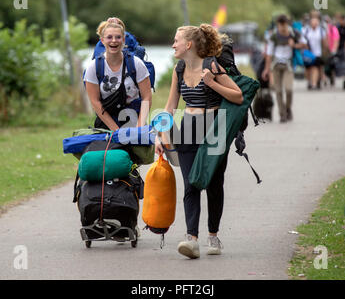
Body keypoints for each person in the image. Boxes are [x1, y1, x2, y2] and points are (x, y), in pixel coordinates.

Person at [155, 24, 243, 259]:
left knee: (214, 186)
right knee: (190, 184)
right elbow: (171, 105)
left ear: (189, 45)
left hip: (214, 127)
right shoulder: (179, 68)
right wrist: (160, 134)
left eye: (176, 40)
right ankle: (191, 239)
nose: (173, 44)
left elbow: (238, 95)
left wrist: (212, 82)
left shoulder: (212, 65)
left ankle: (213, 235)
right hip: (188, 129)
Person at [83, 17, 152, 131]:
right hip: (107, 122)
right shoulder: (93, 67)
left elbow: (147, 97)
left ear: (123, 39)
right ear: (102, 40)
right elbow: (95, 101)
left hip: (134, 119)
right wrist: (116, 131)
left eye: (118, 37)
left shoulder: (136, 63)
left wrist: (139, 128)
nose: (114, 40)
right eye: (109, 37)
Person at [262, 14, 307, 123]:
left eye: (284, 25)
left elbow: (305, 44)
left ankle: (288, 109)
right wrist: (266, 69)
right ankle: (282, 115)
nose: (282, 27)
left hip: (288, 66)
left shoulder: (294, 33)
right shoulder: (274, 36)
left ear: (287, 24)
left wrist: (294, 45)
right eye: (280, 25)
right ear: (277, 25)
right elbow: (269, 53)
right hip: (276, 65)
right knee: (278, 91)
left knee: (288, 89)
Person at [302, 14, 328, 90]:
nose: (314, 23)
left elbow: (324, 42)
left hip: (317, 53)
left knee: (315, 68)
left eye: (316, 21)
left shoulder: (321, 31)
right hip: (308, 53)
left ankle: (314, 83)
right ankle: (310, 81)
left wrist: (325, 51)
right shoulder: (305, 30)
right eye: (313, 21)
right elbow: (302, 41)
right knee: (308, 69)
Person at [323, 15, 340, 86]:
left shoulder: (333, 28)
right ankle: (325, 78)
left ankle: (332, 77)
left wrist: (334, 49)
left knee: (332, 65)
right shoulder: (323, 29)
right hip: (325, 50)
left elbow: (336, 39)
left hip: (332, 49)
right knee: (325, 65)